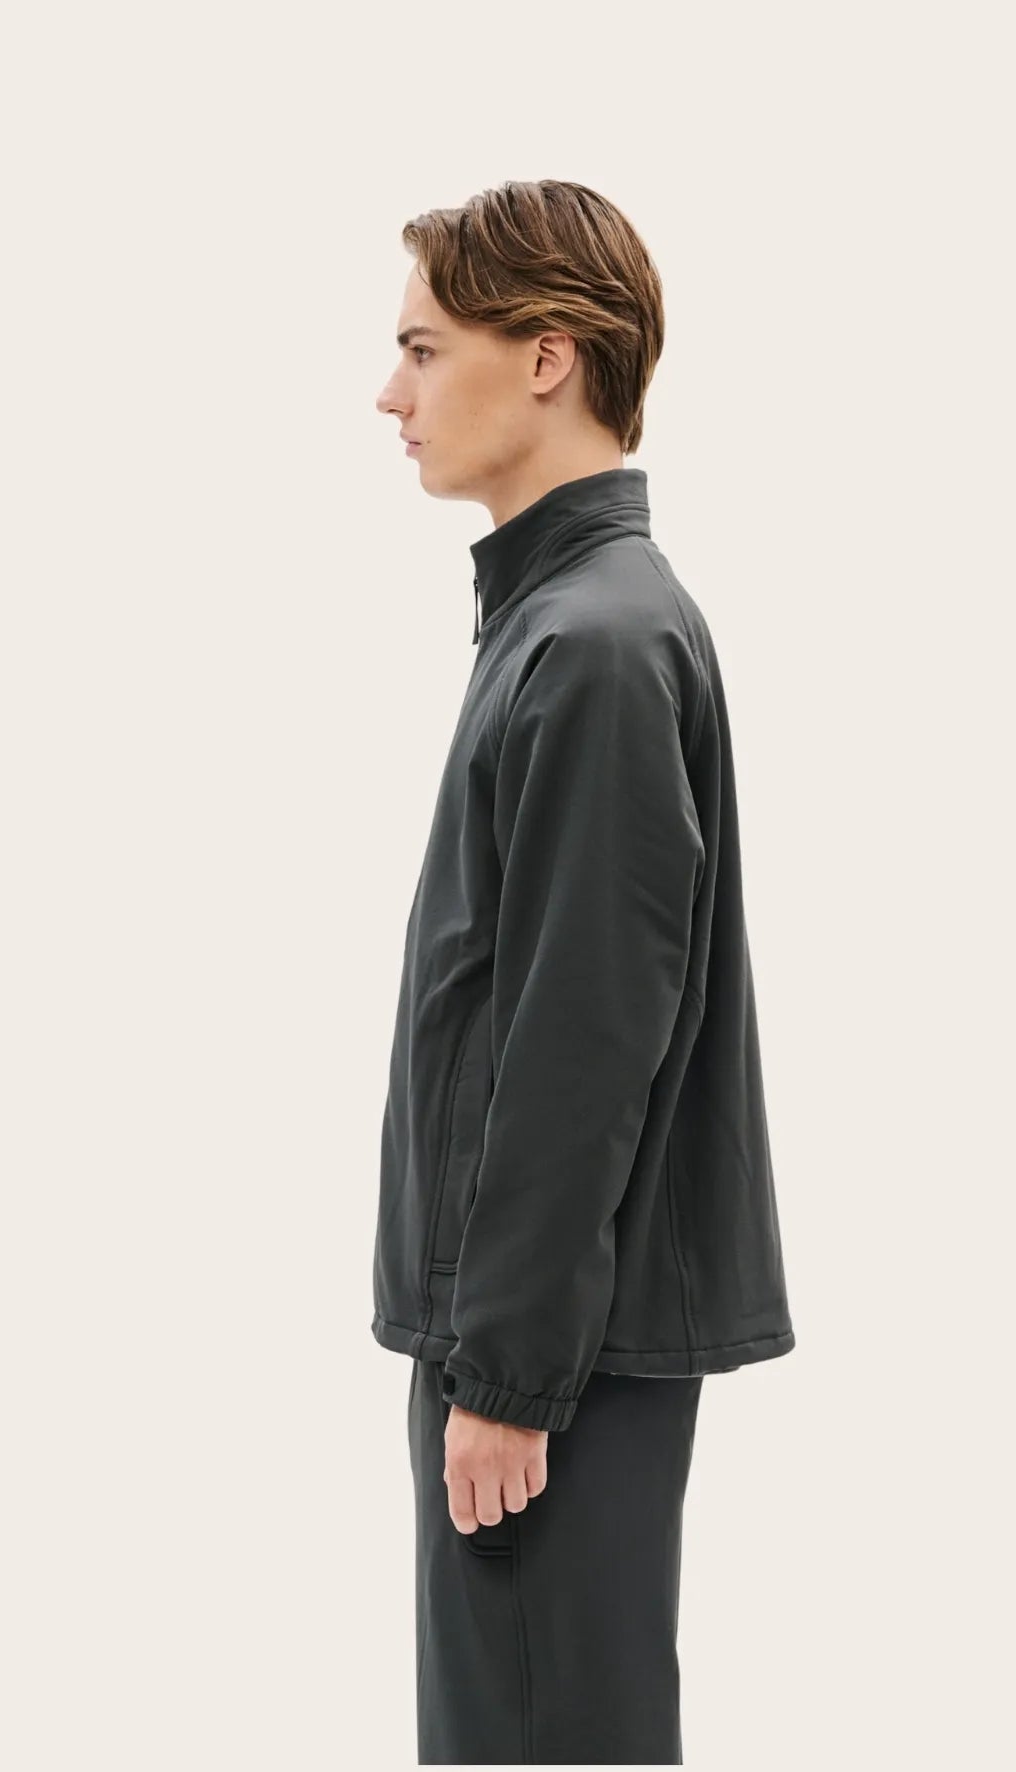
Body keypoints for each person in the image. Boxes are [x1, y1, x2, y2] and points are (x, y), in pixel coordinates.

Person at [371, 178, 795, 1766]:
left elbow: (583, 1039)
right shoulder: (564, 624)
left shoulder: (595, 646)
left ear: (545, 356)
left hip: (549, 1354)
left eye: (424, 348)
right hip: (540, 1335)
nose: (391, 393)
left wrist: (506, 1374)